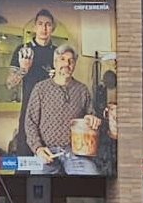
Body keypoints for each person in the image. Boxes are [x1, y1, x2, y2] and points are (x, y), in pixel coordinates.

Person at [25, 44, 101, 174]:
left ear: (75, 64)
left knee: (92, 174)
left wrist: (92, 119)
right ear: (55, 62)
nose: (67, 64)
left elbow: (90, 115)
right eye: (62, 59)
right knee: (37, 178)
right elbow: (30, 122)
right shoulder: (40, 89)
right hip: (47, 151)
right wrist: (38, 148)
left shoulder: (82, 90)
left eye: (71, 60)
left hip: (74, 151)